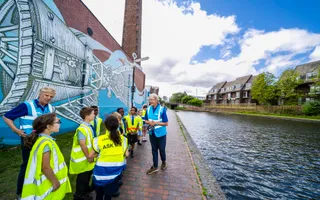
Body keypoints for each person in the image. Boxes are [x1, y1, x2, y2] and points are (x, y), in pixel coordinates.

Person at [2, 87, 56, 199]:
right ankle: (20, 192)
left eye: (51, 96)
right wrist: (16, 130)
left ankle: (38, 187)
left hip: (43, 140)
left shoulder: (51, 108)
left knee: (43, 164)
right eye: (46, 95)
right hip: (29, 140)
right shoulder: (27, 105)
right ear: (40, 94)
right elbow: (7, 117)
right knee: (27, 165)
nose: (48, 98)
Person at [21, 113, 71, 200]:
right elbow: (45, 167)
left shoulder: (43, 140)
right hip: (48, 185)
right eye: (58, 122)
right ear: (48, 126)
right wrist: (55, 182)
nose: (60, 124)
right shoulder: (46, 143)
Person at [90, 115, 128, 200]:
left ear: (105, 126)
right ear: (118, 125)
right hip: (115, 173)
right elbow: (127, 154)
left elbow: (90, 155)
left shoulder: (98, 139)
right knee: (108, 195)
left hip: (100, 173)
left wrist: (99, 154)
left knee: (99, 194)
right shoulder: (123, 139)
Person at [69, 107, 96, 200]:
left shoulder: (88, 126)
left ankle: (85, 189)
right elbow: (82, 144)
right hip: (83, 157)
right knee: (82, 177)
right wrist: (88, 156)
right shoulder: (82, 129)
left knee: (88, 175)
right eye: (93, 113)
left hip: (87, 157)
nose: (94, 115)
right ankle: (79, 195)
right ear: (87, 116)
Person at [145, 94, 169, 175]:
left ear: (156, 100)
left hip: (161, 134)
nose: (150, 101)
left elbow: (166, 123)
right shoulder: (148, 109)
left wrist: (156, 123)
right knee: (154, 150)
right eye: (149, 100)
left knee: (162, 149)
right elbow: (146, 120)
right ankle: (155, 166)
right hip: (152, 133)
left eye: (152, 100)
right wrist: (150, 123)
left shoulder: (162, 110)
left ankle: (164, 162)